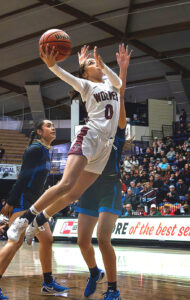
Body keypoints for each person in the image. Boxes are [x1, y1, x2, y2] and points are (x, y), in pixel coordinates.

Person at [8, 46, 122, 244]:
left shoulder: (112, 85)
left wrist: (101, 64)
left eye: (97, 62)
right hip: (89, 137)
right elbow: (69, 77)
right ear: (85, 73)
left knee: (74, 194)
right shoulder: (87, 86)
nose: (98, 65)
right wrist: (53, 66)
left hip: (104, 147)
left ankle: (39, 220)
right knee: (66, 184)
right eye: (92, 63)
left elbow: (119, 82)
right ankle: (25, 219)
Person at [74, 44, 132, 300]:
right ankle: (93, 271)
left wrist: (122, 70)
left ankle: (113, 289)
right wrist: (82, 67)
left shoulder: (116, 129)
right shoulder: (91, 108)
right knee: (82, 241)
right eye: (90, 66)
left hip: (109, 185)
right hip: (89, 186)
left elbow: (118, 94)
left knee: (103, 238)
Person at [0, 120, 68, 300]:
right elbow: (23, 177)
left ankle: (47, 283)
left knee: (47, 239)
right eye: (48, 126)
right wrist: (11, 202)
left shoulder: (45, 151)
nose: (52, 128)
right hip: (23, 202)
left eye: (53, 125)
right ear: (39, 131)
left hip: (35, 204)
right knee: (14, 243)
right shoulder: (35, 150)